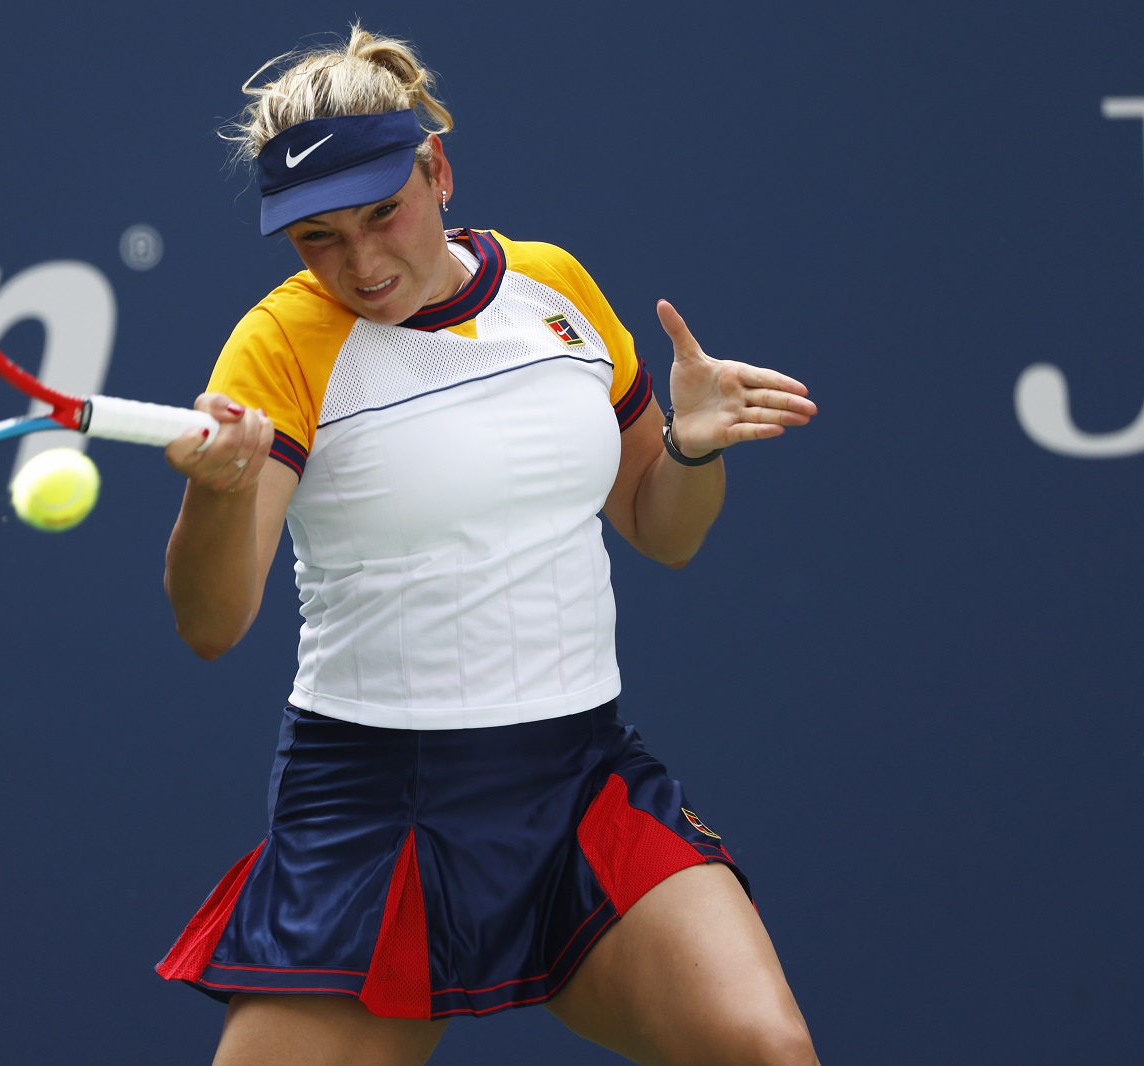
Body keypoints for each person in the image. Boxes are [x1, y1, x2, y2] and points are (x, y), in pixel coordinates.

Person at [155, 24, 820, 1066]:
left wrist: (688, 451)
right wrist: (216, 495)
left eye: (385, 212)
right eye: (317, 238)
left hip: (578, 782)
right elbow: (211, 622)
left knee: (762, 1049)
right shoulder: (281, 344)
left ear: (439, 168)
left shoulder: (552, 288)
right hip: (374, 812)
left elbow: (661, 529)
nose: (364, 265)